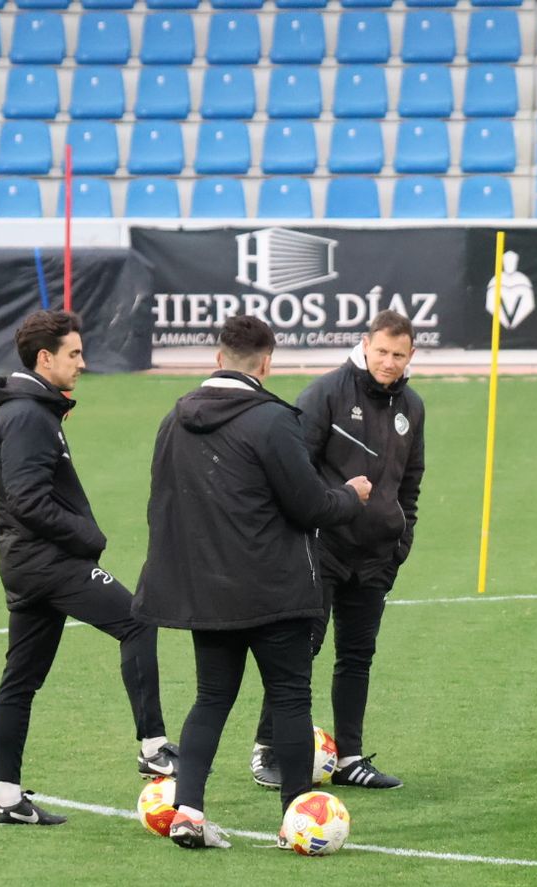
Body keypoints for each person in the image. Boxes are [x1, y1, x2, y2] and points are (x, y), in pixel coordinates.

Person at [133, 314, 372, 850]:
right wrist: (350, 497)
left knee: (211, 697)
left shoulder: (174, 420)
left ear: (218, 359)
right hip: (273, 588)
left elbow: (163, 506)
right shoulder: (271, 421)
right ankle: (295, 820)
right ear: (267, 362)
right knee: (289, 697)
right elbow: (309, 503)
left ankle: (188, 811)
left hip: (206, 590)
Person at [0, 309, 177, 827]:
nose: (83, 363)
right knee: (138, 619)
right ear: (45, 358)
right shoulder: (26, 417)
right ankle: (154, 747)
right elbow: (27, 500)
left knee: (20, 681)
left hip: (26, 566)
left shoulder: (31, 411)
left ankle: (5, 798)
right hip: (48, 564)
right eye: (74, 354)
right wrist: (87, 536)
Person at [248, 310, 424, 792]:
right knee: (300, 651)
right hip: (321, 549)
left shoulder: (413, 406)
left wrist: (399, 542)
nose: (389, 362)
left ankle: (348, 757)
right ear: (364, 345)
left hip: (375, 558)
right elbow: (291, 468)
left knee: (357, 656)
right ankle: (268, 750)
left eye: (399, 355)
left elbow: (410, 482)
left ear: (412, 356)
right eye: (382, 351)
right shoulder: (326, 392)